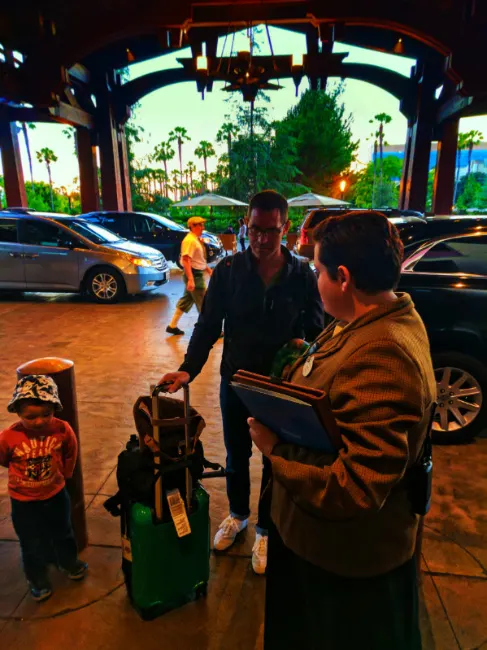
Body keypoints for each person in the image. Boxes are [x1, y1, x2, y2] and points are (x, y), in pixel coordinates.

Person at [248, 211, 436, 649]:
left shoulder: (385, 355)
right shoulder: (370, 318)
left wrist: (275, 450)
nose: (316, 281)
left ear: (345, 277)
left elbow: (355, 487)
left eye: (318, 271)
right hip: (320, 546)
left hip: (344, 566)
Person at [161, 190, 324, 574]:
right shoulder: (229, 271)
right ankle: (238, 515)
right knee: (236, 455)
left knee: (274, 458)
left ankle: (266, 528)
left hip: (279, 387)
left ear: (285, 228)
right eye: (255, 230)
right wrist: (189, 368)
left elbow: (318, 328)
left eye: (271, 231)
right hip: (235, 379)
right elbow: (208, 324)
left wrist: (306, 346)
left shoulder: (302, 274)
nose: (263, 240)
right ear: (246, 227)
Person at [0, 375, 88, 602]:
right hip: (23, 501)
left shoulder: (61, 429)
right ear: (18, 412)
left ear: (54, 409)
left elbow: (71, 449)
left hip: (56, 494)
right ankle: (37, 577)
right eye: (30, 417)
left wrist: (66, 473)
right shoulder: (10, 437)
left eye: (46, 414)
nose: (39, 421)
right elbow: (3, 457)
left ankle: (69, 562)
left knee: (63, 531)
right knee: (30, 541)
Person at [166, 216, 213, 336]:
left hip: (195, 273)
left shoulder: (195, 239)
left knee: (187, 300)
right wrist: (191, 279)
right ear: (192, 226)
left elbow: (199, 259)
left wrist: (207, 269)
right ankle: (208, 329)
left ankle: (172, 326)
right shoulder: (189, 241)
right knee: (204, 303)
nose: (202, 227)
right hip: (194, 275)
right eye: (200, 225)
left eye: (202, 225)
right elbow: (186, 260)